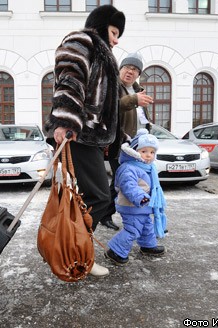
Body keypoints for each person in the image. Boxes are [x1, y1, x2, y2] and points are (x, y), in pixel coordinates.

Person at [44, 5, 126, 277]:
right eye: (114, 32)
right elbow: (70, 79)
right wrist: (66, 121)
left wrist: (117, 135)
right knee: (99, 197)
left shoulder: (102, 53)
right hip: (77, 134)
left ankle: (75, 249)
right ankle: (76, 251)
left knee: (86, 198)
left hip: (88, 136)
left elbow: (105, 103)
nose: (116, 40)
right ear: (102, 25)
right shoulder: (82, 41)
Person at [100, 52, 154, 230]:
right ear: (120, 69)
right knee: (120, 179)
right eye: (127, 67)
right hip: (121, 145)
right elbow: (110, 107)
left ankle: (142, 215)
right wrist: (134, 100)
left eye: (135, 69)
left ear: (138, 74)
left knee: (140, 180)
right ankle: (105, 215)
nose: (130, 72)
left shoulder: (138, 90)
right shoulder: (113, 86)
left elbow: (142, 118)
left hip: (139, 147)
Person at [104, 129, 167, 265]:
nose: (148, 155)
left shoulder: (148, 168)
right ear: (134, 151)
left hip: (144, 206)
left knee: (146, 226)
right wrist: (140, 198)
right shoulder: (128, 168)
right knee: (133, 229)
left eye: (152, 152)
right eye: (144, 151)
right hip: (131, 206)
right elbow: (128, 186)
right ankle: (115, 251)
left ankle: (148, 245)